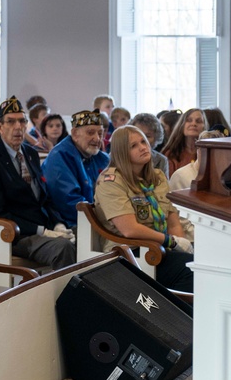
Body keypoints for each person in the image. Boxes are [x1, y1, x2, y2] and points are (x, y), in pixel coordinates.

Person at [0, 96, 75, 271]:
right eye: (11, 122)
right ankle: (65, 298)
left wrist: (58, 223)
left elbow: (45, 197)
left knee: (85, 235)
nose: (18, 127)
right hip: (15, 234)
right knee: (63, 248)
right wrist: (42, 231)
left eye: (22, 121)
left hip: (42, 226)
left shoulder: (31, 154)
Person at [94, 126, 193, 292]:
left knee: (198, 265)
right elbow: (129, 230)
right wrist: (171, 241)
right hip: (130, 252)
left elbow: (172, 220)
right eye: (133, 146)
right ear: (121, 152)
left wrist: (181, 246)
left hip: (160, 249)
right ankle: (176, 315)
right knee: (191, 271)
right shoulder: (110, 181)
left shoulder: (158, 177)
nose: (142, 147)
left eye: (143, 142)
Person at [41, 109, 110, 229]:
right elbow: (71, 203)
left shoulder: (102, 158)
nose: (97, 139)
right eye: (90, 133)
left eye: (100, 133)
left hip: (101, 218)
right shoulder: (59, 156)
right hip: (73, 224)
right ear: (75, 134)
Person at [160, 107, 207, 174]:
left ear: (204, 127)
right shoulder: (170, 154)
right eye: (189, 120)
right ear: (182, 125)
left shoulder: (209, 154)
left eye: (198, 121)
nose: (193, 124)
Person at [130, 112, 169, 177]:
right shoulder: (117, 156)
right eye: (138, 133)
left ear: (156, 139)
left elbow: (164, 186)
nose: (142, 139)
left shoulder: (161, 160)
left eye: (147, 136)